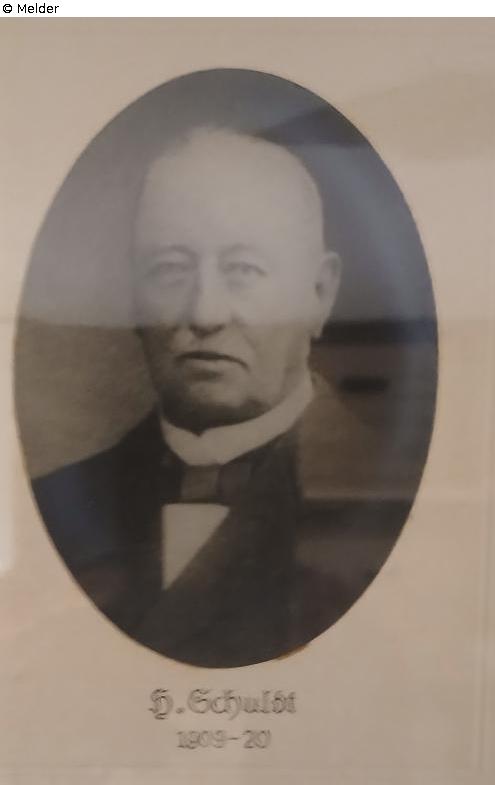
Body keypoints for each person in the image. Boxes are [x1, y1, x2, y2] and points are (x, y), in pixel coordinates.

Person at [33, 127, 396, 667]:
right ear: (132, 298)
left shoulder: (396, 499)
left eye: (243, 270)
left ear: (319, 295)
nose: (205, 313)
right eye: (171, 270)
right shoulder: (55, 507)